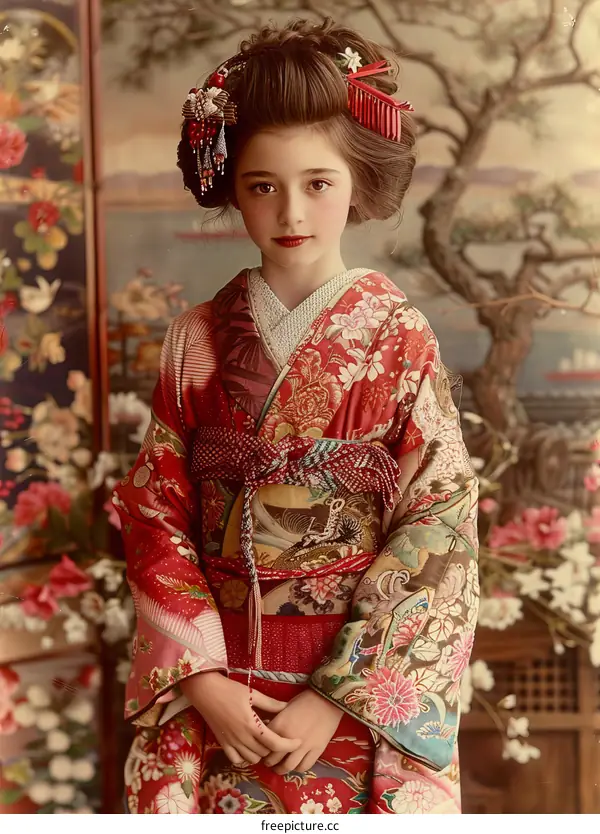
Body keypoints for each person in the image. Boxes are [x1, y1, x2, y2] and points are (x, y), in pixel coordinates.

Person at [113, 17, 479, 815]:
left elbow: (437, 522)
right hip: (219, 685)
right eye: (261, 185)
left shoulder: (394, 333)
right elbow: (154, 513)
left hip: (341, 693)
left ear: (358, 183)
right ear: (231, 187)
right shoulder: (196, 338)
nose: (291, 211)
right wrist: (201, 678)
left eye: (319, 183)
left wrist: (341, 694)